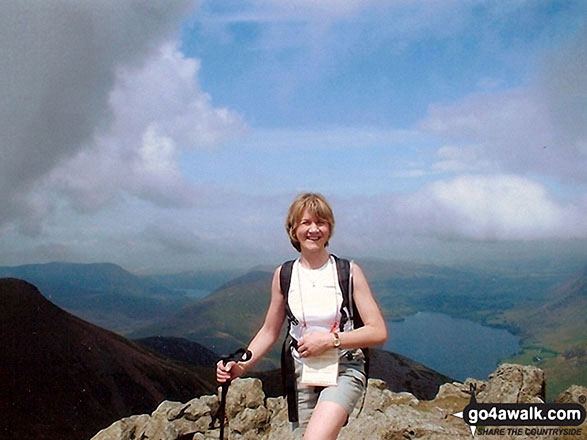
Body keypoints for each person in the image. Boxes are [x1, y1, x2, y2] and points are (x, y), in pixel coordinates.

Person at [216, 193, 387, 439]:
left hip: (344, 367)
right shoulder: (284, 275)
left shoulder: (348, 272)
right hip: (300, 371)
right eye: (306, 223)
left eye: (321, 222)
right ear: (293, 229)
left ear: (330, 229)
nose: (314, 229)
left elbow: (377, 331)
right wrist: (241, 366)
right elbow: (269, 331)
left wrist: (330, 340)